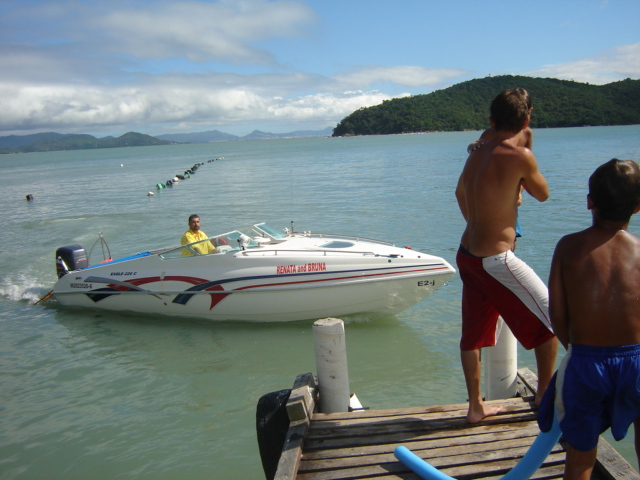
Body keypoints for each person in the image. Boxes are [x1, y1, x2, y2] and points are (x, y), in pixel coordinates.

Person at [455, 88, 558, 424]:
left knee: (472, 335)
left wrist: (480, 218)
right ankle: (545, 394)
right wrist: (519, 187)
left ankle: (475, 407)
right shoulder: (520, 156)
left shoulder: (477, 152)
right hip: (495, 260)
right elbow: (542, 194)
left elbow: (459, 191)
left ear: (491, 120)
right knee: (553, 319)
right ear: (527, 118)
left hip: (467, 254)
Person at [540, 158, 640, 480]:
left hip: (587, 363)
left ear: (589, 202)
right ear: (637, 208)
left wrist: (578, 348)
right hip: (637, 360)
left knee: (580, 456)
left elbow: (557, 313)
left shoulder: (568, 247)